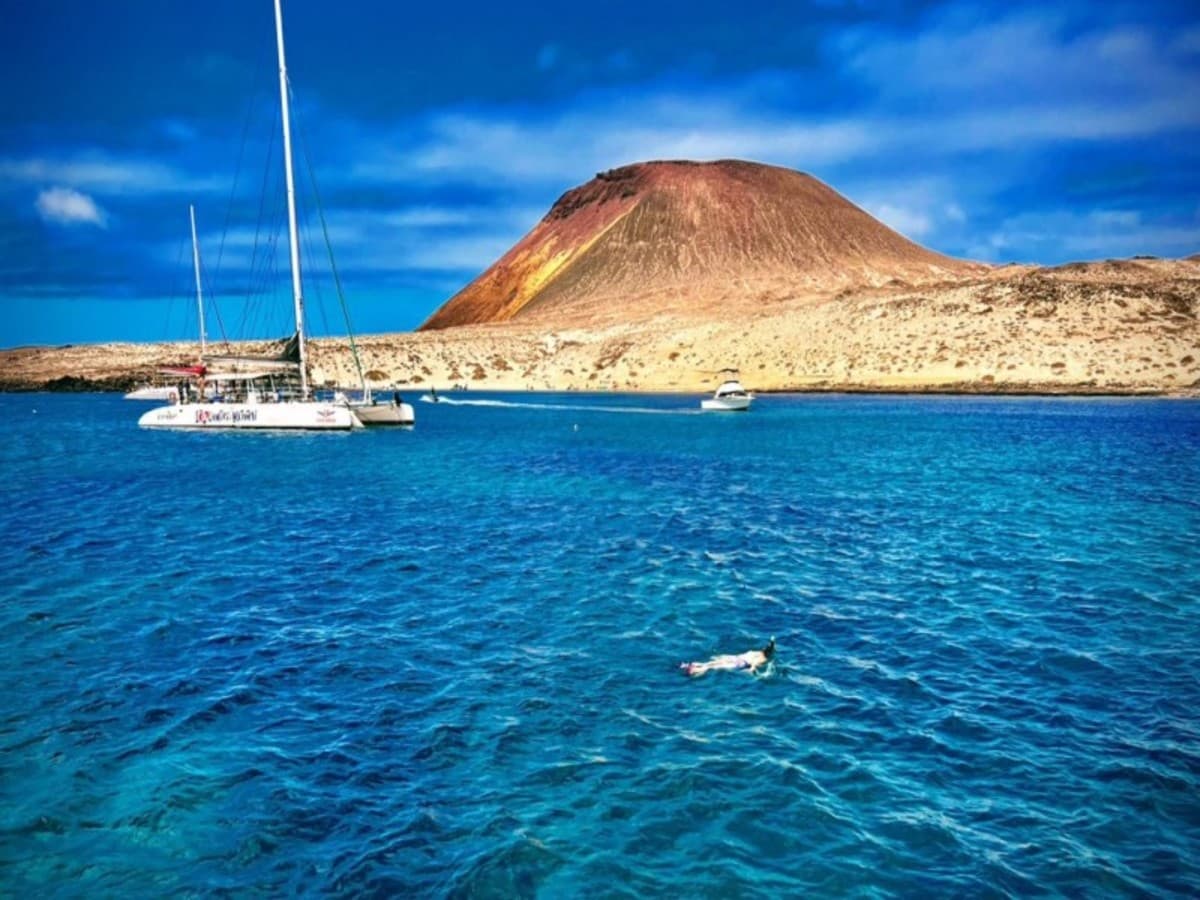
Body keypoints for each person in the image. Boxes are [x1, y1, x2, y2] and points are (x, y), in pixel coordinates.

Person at [680, 638, 775, 677]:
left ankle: (689, 665)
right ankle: (694, 671)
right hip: (740, 663)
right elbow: (752, 668)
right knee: (711, 667)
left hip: (735, 658)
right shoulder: (764, 659)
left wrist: (772, 642)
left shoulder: (756, 652)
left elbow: (770, 645)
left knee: (710, 663)